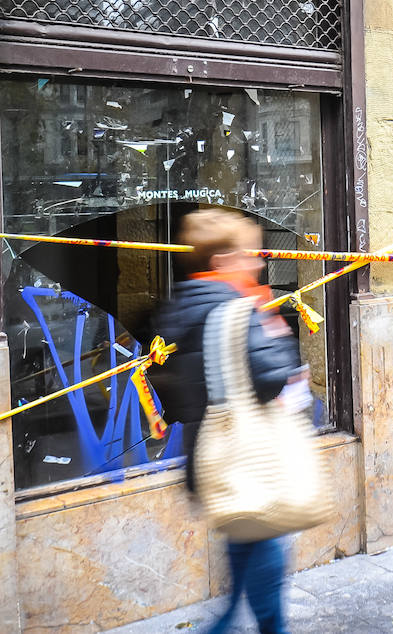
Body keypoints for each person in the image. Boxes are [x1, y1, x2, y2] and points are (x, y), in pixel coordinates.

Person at [144, 209, 302, 634]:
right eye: (246, 255)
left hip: (212, 454)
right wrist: (274, 332)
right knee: (265, 542)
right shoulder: (235, 308)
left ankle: (229, 621)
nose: (256, 263)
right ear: (220, 263)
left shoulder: (183, 309)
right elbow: (271, 377)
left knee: (244, 542)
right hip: (250, 457)